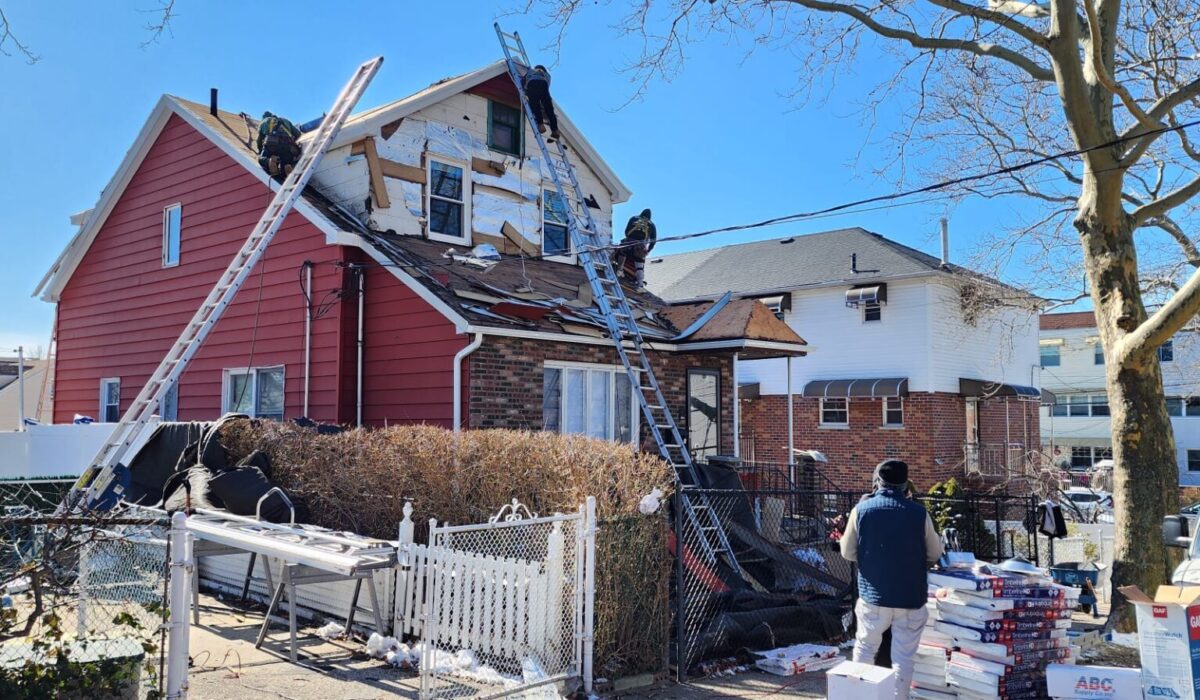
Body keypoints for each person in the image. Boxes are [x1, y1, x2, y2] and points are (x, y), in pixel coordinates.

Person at [840, 460, 943, 700]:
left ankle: (860, 697)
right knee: (903, 659)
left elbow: (847, 552)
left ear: (878, 482)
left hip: (873, 595)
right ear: (905, 485)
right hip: (909, 597)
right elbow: (934, 553)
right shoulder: (919, 513)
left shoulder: (861, 511)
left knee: (865, 650)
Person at [613, 208, 657, 287]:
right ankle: (640, 284)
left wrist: (629, 238)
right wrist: (648, 250)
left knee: (622, 253)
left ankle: (619, 270)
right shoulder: (652, 225)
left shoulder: (633, 218)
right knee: (639, 265)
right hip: (640, 246)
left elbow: (626, 231)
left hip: (628, 241)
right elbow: (653, 241)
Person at [257, 111, 302, 179]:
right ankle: (287, 167)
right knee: (285, 162)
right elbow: (298, 134)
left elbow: (259, 140)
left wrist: (260, 150)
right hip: (287, 145)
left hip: (271, 144)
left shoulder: (263, 122)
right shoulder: (285, 120)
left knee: (261, 159)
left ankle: (270, 161)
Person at [523, 65, 559, 140]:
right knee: (549, 109)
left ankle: (541, 125)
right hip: (544, 85)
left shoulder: (531, 71)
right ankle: (555, 130)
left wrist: (526, 91)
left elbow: (522, 81)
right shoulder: (547, 75)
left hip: (532, 84)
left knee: (535, 105)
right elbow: (547, 86)